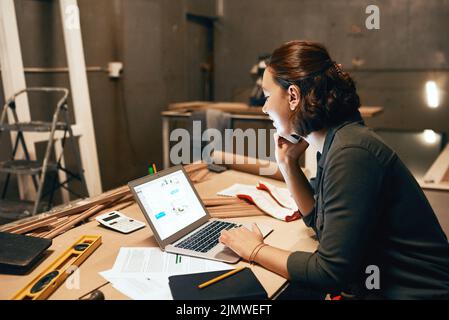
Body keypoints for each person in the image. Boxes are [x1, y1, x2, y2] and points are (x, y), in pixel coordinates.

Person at [219, 40, 449, 300]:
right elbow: (322, 226)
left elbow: (329, 273)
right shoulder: (338, 141)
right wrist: (288, 165)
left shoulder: (351, 153)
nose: (264, 107)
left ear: (293, 96)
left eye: (268, 96)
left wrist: (255, 250)